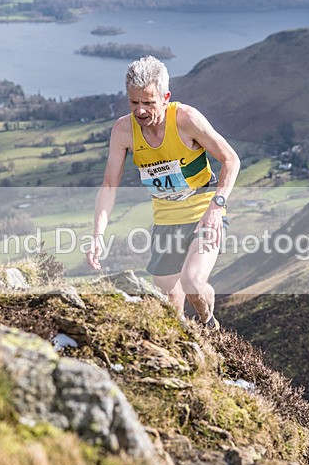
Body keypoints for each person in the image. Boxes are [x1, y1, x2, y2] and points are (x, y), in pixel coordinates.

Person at [87, 56, 240, 328]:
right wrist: (98, 233)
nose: (141, 111)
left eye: (148, 102)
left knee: (192, 283)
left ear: (165, 97)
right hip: (166, 219)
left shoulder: (186, 119)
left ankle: (209, 324)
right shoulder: (123, 131)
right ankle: (185, 348)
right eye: (134, 102)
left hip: (203, 211)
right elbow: (109, 185)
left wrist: (217, 207)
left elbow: (231, 159)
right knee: (169, 303)